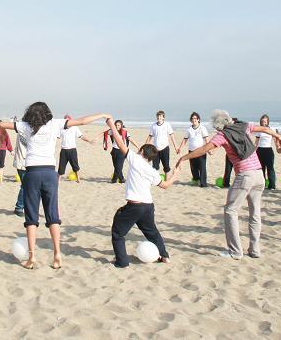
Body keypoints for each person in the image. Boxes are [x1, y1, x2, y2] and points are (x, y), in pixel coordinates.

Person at [0, 103, 109, 269]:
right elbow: (82, 121)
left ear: (30, 113)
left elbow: (0, 124)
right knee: (53, 215)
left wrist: (2, 137)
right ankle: (57, 254)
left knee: (31, 217)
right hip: (49, 173)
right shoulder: (55, 124)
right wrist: (103, 114)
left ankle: (32, 257)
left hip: (32, 173)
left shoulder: (25, 126)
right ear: (47, 113)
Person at [178, 110, 281, 259]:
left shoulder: (222, 135)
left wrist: (184, 158)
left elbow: (203, 149)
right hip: (259, 175)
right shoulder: (244, 126)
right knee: (255, 213)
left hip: (245, 176)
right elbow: (265, 129)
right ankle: (254, 250)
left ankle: (235, 251)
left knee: (230, 210)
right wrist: (278, 136)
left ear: (218, 126)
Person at [106, 116, 181, 268]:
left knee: (118, 232)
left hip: (135, 206)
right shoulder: (153, 171)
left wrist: (111, 125)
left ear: (141, 152)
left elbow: (120, 143)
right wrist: (175, 175)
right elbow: (165, 185)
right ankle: (164, 256)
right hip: (148, 207)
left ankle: (122, 262)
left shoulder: (136, 159)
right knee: (152, 232)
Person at [57, 114, 94, 182]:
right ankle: (58, 180)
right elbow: (56, 137)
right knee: (61, 166)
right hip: (64, 150)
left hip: (72, 150)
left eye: (68, 120)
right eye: (65, 120)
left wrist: (89, 141)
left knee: (75, 165)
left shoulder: (75, 128)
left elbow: (81, 136)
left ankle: (78, 179)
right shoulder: (61, 128)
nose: (67, 122)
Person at [176, 112, 210, 187]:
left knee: (202, 167)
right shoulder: (189, 129)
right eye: (192, 118)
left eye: (195, 118)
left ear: (198, 119)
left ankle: (203, 184)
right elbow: (185, 139)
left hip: (201, 151)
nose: (194, 120)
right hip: (191, 151)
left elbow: (206, 139)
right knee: (193, 167)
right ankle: (196, 180)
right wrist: (180, 148)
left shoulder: (202, 128)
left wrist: (209, 149)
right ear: (191, 120)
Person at [254, 114, 277, 190]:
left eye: (265, 121)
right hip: (260, 150)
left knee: (270, 168)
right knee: (261, 168)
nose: (263, 123)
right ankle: (262, 184)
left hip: (268, 150)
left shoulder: (271, 129)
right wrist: (253, 150)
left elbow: (275, 140)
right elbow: (256, 142)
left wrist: (278, 147)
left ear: (267, 122)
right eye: (262, 121)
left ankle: (272, 185)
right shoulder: (259, 130)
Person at [12, 131, 28, 217]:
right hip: (22, 163)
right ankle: (19, 207)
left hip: (28, 163)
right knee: (25, 186)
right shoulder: (23, 130)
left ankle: (25, 207)